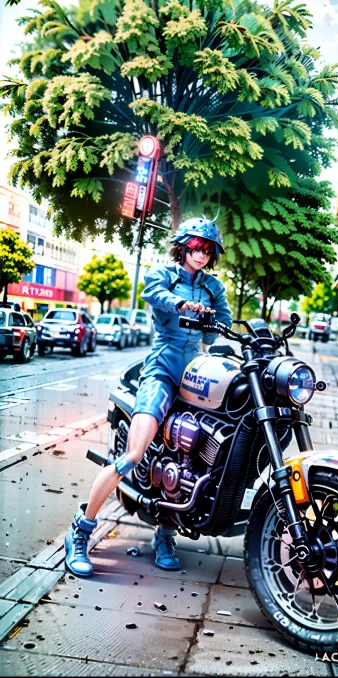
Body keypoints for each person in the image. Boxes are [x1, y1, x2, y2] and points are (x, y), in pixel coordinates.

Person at [64, 215, 232, 577]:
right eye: (195, 246)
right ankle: (80, 529)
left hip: (197, 369)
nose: (201, 254)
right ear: (183, 246)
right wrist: (182, 306)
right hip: (163, 365)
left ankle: (165, 533)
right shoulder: (162, 274)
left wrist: (218, 325)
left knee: (191, 455)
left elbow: (224, 323)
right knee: (134, 454)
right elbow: (153, 295)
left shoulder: (213, 287)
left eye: (207, 249)